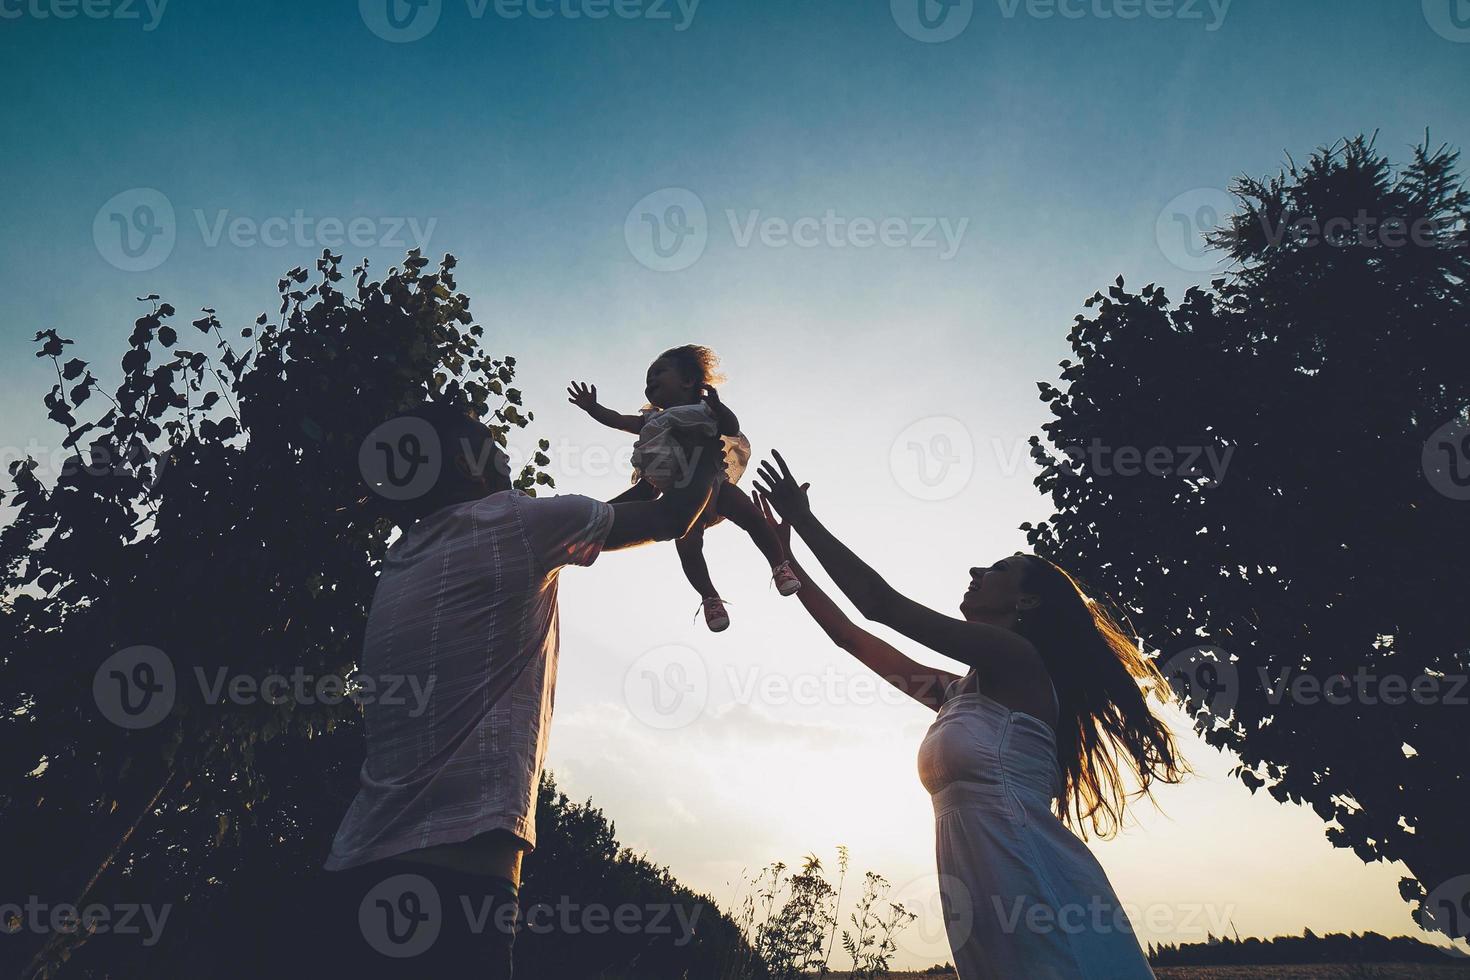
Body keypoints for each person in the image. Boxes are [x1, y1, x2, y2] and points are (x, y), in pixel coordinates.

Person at [318, 400, 720, 978]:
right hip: (453, 892)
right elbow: (673, 519)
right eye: (489, 440)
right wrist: (713, 441)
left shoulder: (407, 556)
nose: (505, 451)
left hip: (355, 872)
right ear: (469, 462)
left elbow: (602, 517)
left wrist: (652, 479)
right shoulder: (512, 522)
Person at [753, 451, 1187, 980]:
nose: (976, 570)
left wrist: (805, 519)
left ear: (1027, 602)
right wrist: (783, 558)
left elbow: (879, 605)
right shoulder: (957, 694)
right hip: (980, 902)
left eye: (997, 569)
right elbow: (852, 638)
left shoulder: (1018, 662)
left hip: (1033, 881)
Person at [567, 344, 801, 633]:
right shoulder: (652, 419)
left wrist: (719, 407)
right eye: (647, 379)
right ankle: (709, 597)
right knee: (689, 549)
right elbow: (619, 420)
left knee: (753, 517)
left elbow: (731, 426)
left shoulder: (704, 410)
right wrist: (593, 408)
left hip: (716, 484)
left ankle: (779, 565)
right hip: (678, 496)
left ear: (688, 381)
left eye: (659, 373)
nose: (650, 381)